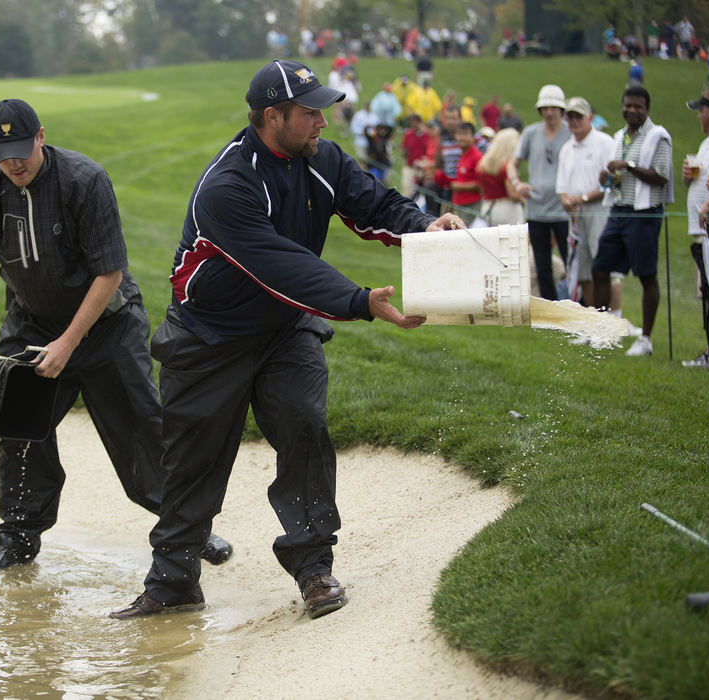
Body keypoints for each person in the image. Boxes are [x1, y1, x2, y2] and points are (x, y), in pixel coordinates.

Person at [109, 59, 465, 621]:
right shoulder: (227, 185)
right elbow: (282, 265)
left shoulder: (321, 159)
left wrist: (425, 227)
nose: (324, 121)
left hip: (284, 327)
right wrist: (358, 300)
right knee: (192, 460)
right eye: (310, 111)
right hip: (209, 335)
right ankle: (173, 581)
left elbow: (373, 204)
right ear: (272, 117)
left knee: (305, 426)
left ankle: (314, 568)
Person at [0, 99, 233, 569]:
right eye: (2, 153)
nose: (13, 162)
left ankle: (189, 529)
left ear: (41, 136)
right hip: (32, 326)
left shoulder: (84, 180)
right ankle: (17, 540)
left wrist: (68, 343)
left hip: (107, 326)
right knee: (18, 434)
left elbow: (109, 274)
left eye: (21, 148)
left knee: (141, 428)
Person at [592, 85, 674, 357]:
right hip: (619, 210)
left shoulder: (658, 136)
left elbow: (661, 177)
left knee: (646, 275)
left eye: (638, 106)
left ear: (647, 109)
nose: (632, 110)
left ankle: (646, 340)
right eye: (628, 105)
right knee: (600, 268)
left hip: (645, 213)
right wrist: (608, 177)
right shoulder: (619, 136)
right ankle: (603, 330)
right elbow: (617, 175)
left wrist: (627, 166)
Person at [509, 84, 572, 300]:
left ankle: (577, 304)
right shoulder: (531, 133)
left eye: (554, 107)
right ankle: (550, 308)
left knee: (570, 259)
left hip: (563, 208)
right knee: (542, 261)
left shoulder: (570, 133)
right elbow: (513, 163)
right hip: (536, 207)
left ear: (561, 110)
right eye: (545, 107)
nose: (550, 112)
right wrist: (517, 183)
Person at [555, 97, 617, 311]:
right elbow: (562, 187)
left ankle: (613, 320)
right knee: (583, 272)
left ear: (590, 117)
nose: (574, 121)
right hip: (576, 215)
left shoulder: (605, 143)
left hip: (600, 211)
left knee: (604, 268)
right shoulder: (567, 149)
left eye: (578, 116)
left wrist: (582, 198)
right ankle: (594, 322)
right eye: (570, 117)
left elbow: (611, 183)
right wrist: (566, 201)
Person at [681, 86, 709, 370]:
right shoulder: (707, 143)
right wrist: (688, 179)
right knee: (706, 292)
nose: (698, 116)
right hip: (703, 228)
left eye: (701, 111)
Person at [475, 127, 524, 225]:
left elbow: (480, 189)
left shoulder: (482, 164)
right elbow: (513, 194)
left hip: (488, 207)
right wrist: (524, 199)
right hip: (508, 209)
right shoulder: (507, 166)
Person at [427, 103, 462, 216]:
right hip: (449, 187)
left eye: (453, 118)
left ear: (460, 119)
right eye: (447, 118)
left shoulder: (466, 137)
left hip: (462, 186)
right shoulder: (444, 139)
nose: (450, 122)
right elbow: (438, 163)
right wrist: (440, 139)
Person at [449, 122, 482, 225]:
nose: (461, 138)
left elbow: (481, 184)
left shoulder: (477, 157)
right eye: (459, 134)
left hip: (471, 206)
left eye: (465, 134)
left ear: (473, 137)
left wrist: (458, 186)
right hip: (460, 204)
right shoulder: (463, 154)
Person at [401, 113, 432, 198]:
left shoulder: (427, 135)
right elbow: (404, 150)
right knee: (406, 189)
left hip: (423, 168)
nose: (412, 125)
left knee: (421, 193)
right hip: (410, 165)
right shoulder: (408, 134)